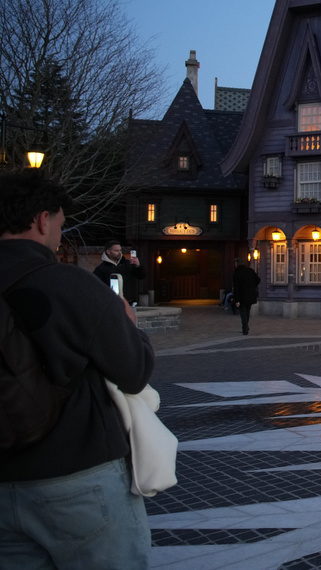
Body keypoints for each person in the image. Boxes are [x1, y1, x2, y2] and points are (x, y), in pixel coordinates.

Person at [0, 169, 155, 568]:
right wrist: (133, 329)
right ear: (42, 219)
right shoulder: (69, 284)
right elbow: (133, 371)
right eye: (60, 223)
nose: (59, 234)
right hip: (77, 472)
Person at [93, 239, 147, 304]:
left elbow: (142, 276)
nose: (119, 253)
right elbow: (96, 287)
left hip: (129, 301)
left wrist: (138, 266)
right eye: (116, 250)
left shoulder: (128, 264)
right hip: (111, 302)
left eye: (120, 250)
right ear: (108, 252)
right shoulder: (101, 269)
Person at [232, 257, 261, 335]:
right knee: (247, 311)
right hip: (250, 294)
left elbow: (236, 287)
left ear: (236, 264)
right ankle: (246, 326)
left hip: (242, 295)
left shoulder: (237, 273)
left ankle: (245, 327)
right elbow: (258, 280)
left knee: (243, 312)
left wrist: (237, 300)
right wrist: (252, 286)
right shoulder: (250, 271)